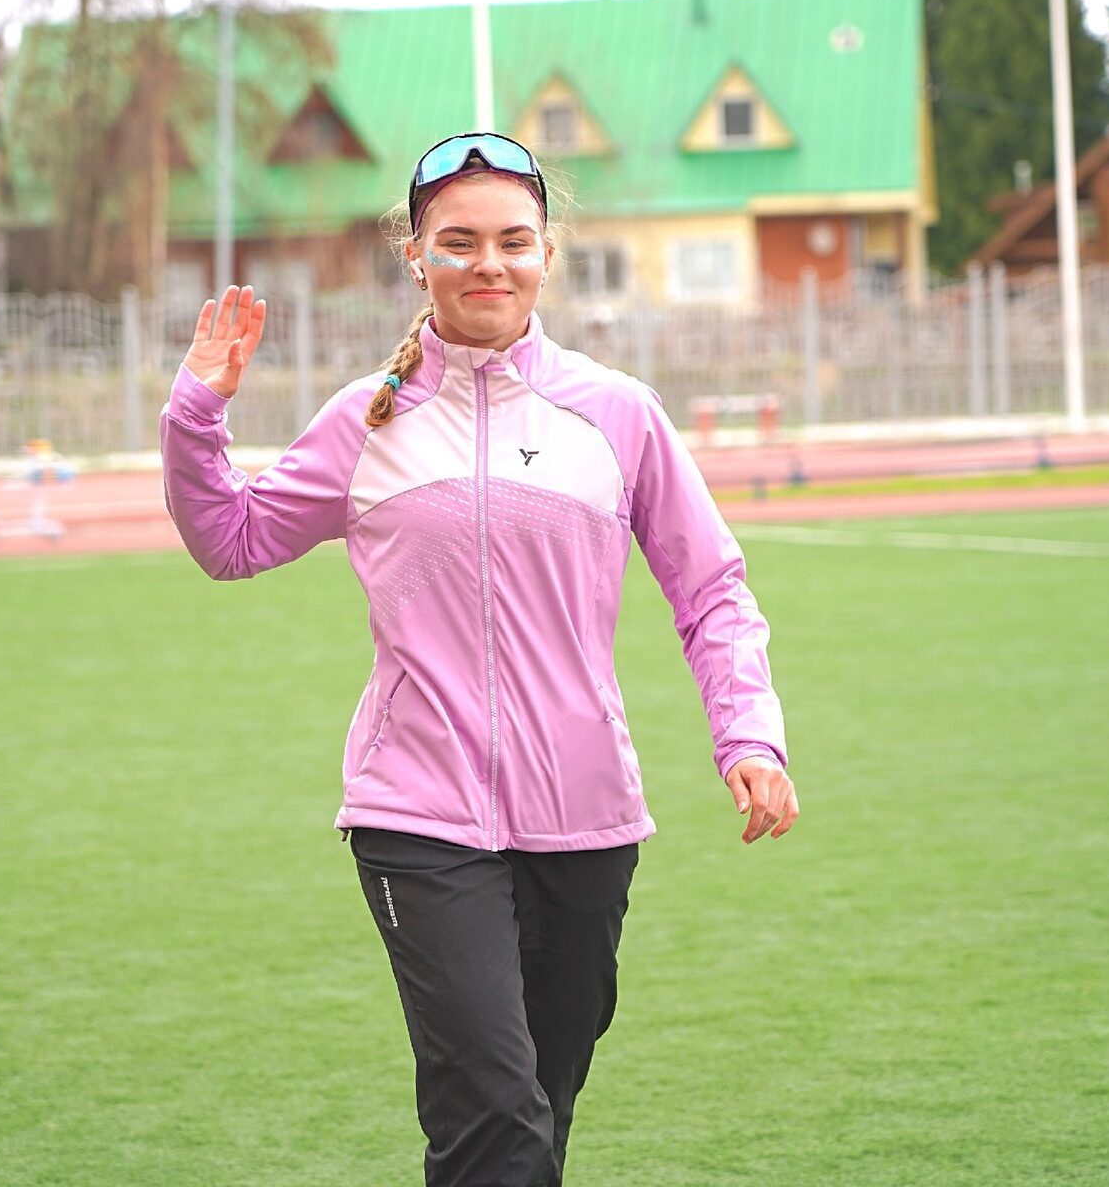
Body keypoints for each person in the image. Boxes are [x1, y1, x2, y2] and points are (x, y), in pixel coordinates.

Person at [159, 132, 797, 1187]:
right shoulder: (366, 421)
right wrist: (197, 412)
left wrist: (751, 735)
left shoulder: (616, 414)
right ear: (416, 258)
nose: (487, 263)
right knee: (495, 1116)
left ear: (547, 253)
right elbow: (231, 541)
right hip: (416, 815)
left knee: (541, 1108)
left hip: (586, 818)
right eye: (458, 242)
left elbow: (711, 589)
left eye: (512, 241)